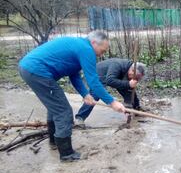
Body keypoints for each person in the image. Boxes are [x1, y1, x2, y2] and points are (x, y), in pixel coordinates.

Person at [18, 31, 126, 162]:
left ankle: (54, 142)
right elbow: (94, 82)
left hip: (29, 68)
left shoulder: (79, 46)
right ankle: (67, 154)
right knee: (63, 111)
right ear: (93, 43)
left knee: (55, 107)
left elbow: (73, 74)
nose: (100, 54)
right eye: (101, 51)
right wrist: (112, 102)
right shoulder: (87, 50)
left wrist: (85, 94)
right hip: (37, 71)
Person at [74, 58, 146, 127]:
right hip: (98, 74)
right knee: (95, 95)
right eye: (136, 77)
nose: (136, 79)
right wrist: (128, 84)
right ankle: (79, 118)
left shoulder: (129, 70)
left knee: (128, 88)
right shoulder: (117, 65)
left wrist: (129, 108)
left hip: (115, 77)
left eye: (138, 78)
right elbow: (110, 81)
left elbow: (129, 92)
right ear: (132, 71)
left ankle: (136, 109)